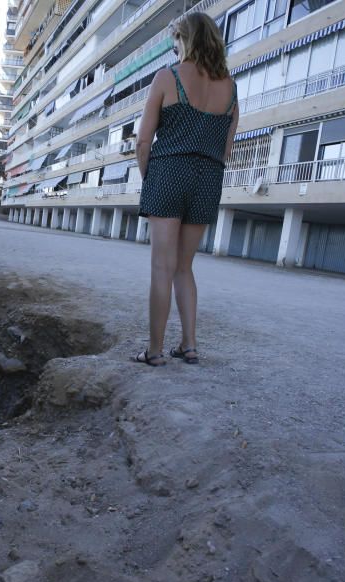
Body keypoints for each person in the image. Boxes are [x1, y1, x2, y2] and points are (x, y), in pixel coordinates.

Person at [133, 12, 239, 367]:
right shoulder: (232, 89)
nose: (173, 47)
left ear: (185, 39)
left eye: (175, 39)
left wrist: (151, 177)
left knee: (161, 267)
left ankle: (155, 351)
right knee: (184, 267)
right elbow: (226, 149)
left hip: (169, 171)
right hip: (208, 178)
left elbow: (143, 142)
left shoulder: (168, 77)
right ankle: (190, 345)